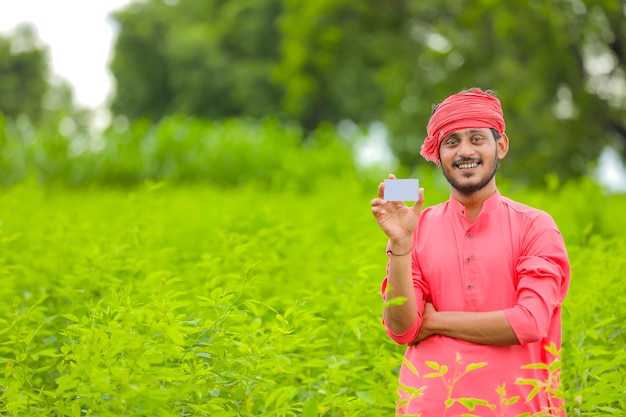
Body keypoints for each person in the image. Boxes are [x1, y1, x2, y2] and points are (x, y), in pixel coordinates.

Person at [370, 88, 570, 416]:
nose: (465, 151)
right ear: (438, 153)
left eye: (477, 139)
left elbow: (530, 322)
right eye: (451, 142)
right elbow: (402, 328)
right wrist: (400, 244)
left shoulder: (536, 226)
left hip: (518, 408)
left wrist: (434, 321)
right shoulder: (417, 227)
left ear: (500, 146)